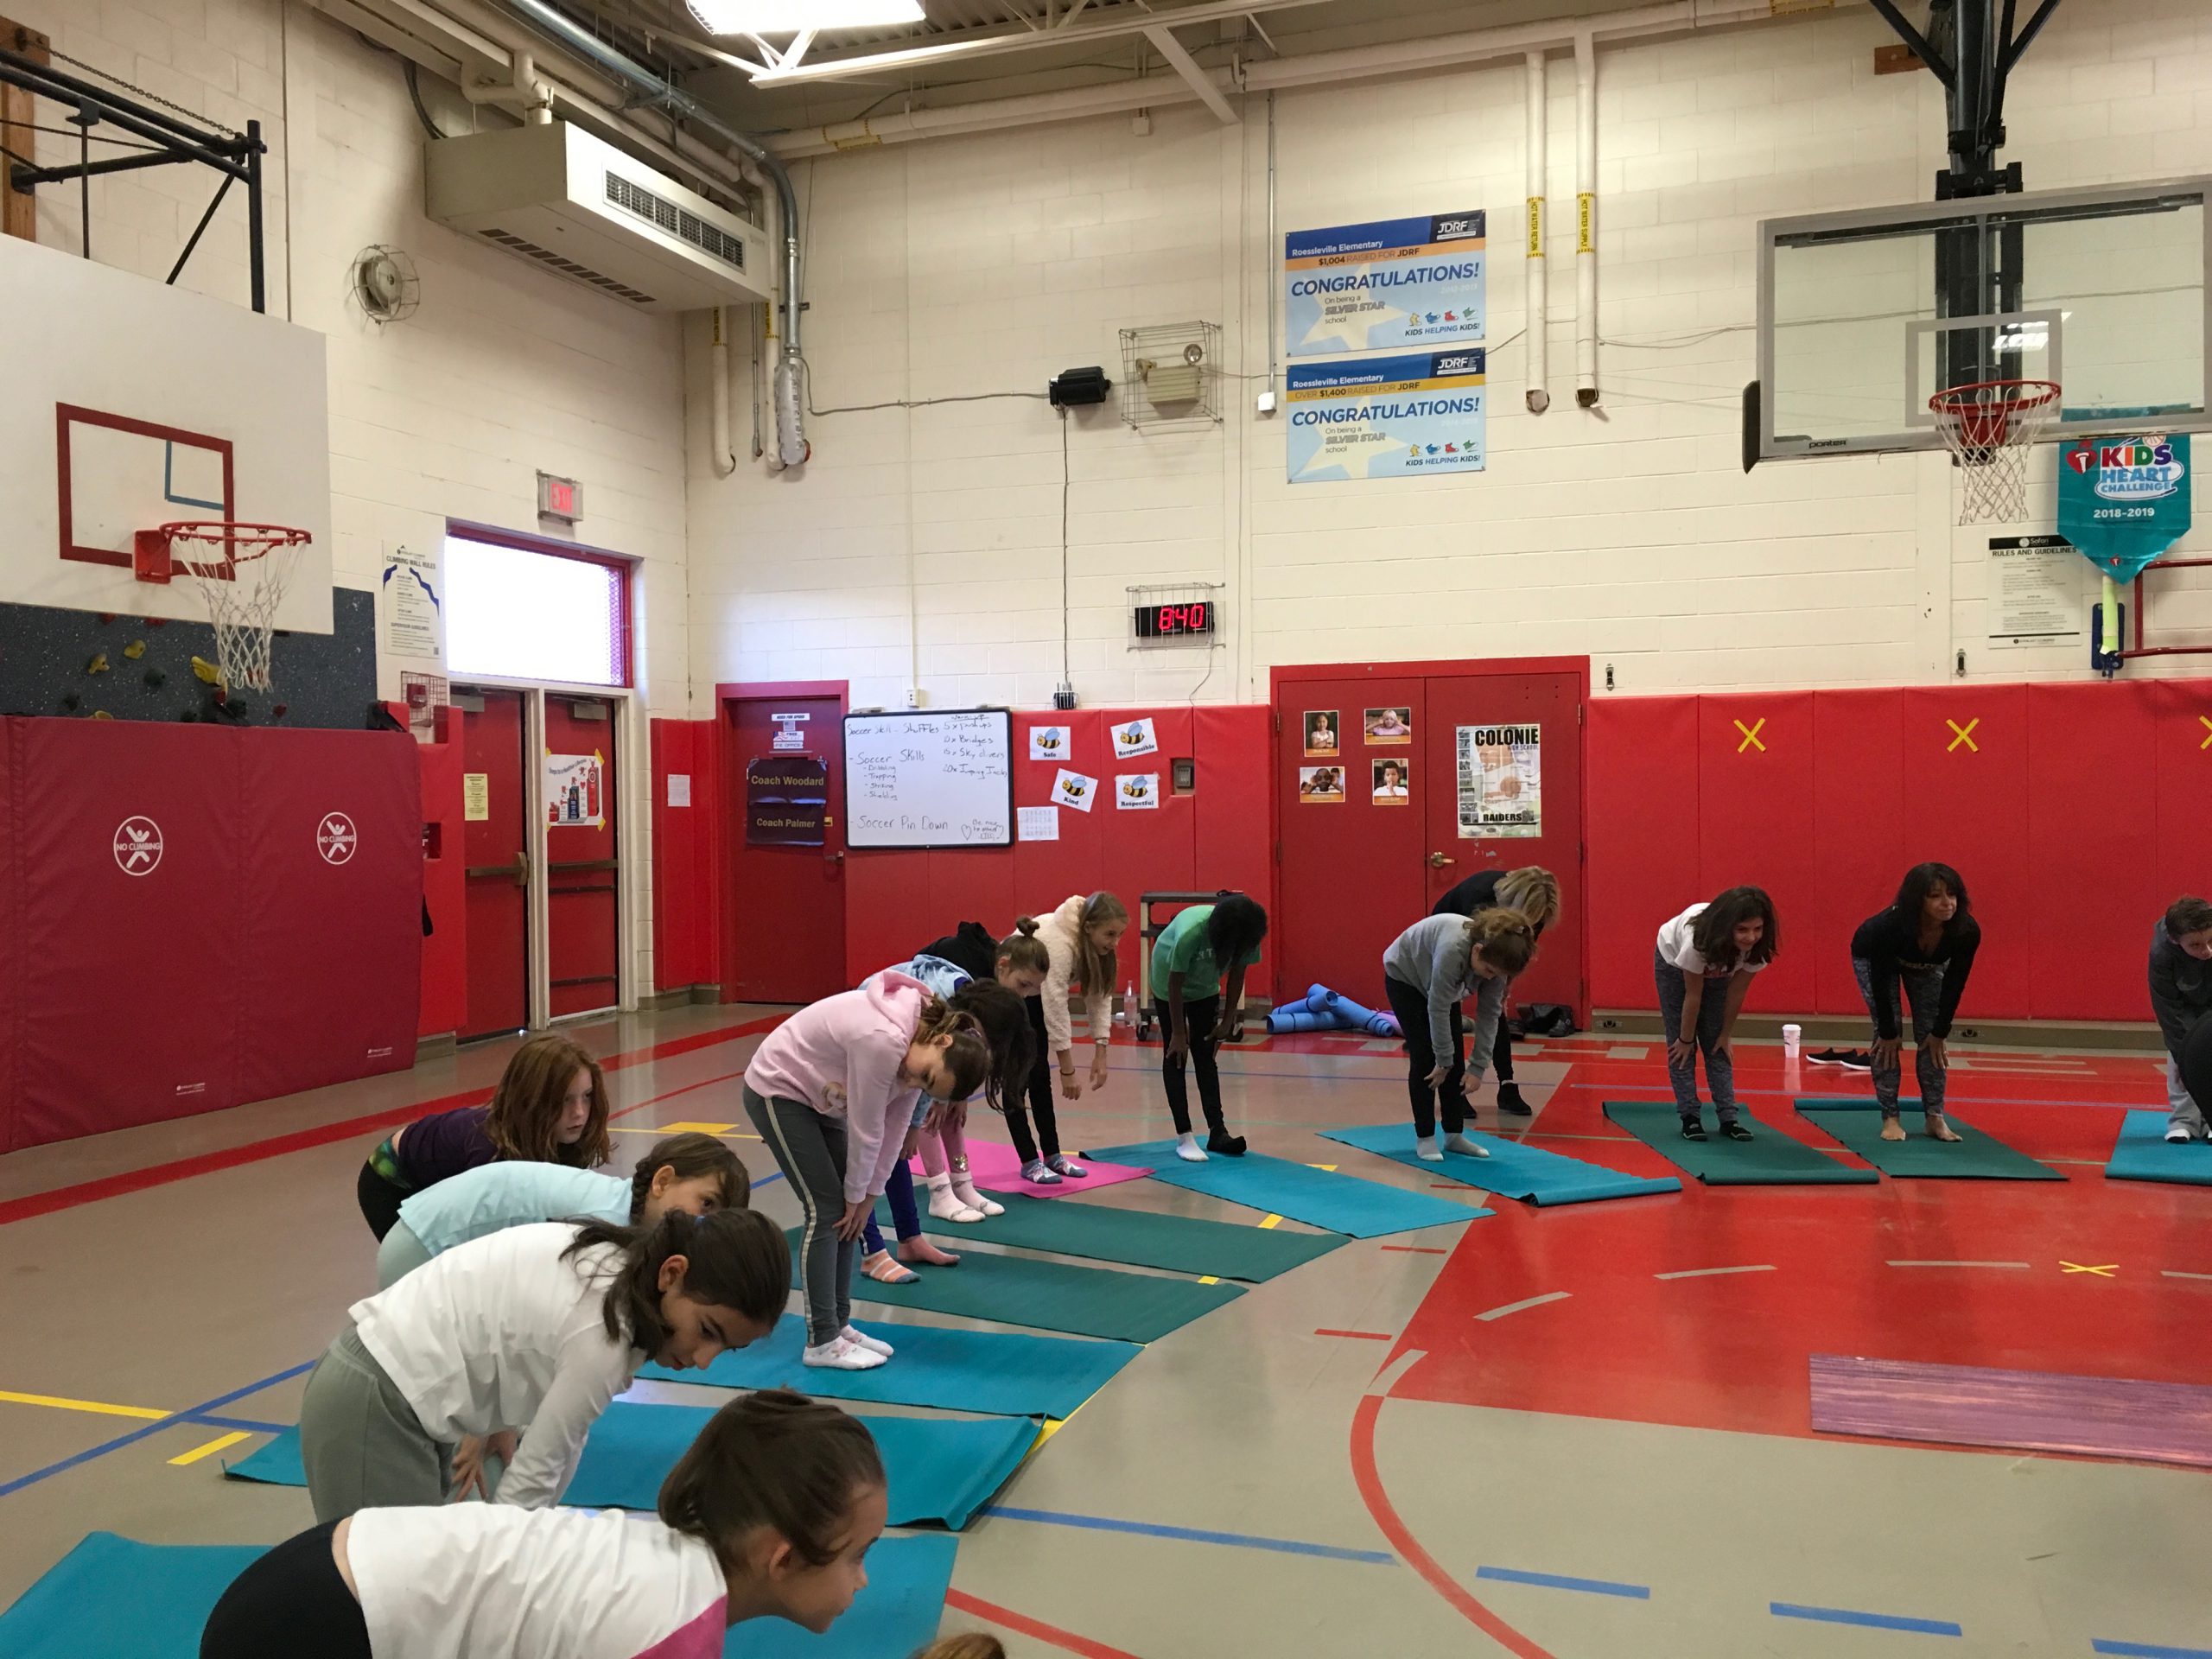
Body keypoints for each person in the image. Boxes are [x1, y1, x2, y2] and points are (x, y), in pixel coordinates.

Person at [200, 1390, 887, 1659]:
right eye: (856, 1556)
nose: (863, 1579)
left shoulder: (673, 1564)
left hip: (322, 1576)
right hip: (310, 1624)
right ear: (783, 1557)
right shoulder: (673, 1627)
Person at [296, 1209, 788, 1522]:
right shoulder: (605, 1334)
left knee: (411, 1599)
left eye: (726, 1350)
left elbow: (564, 1444)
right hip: (376, 1401)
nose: (704, 1361)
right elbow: (531, 1481)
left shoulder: (619, 1271)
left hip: (393, 1395)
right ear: (672, 1273)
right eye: (707, 1332)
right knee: (386, 1611)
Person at [744, 975, 991, 1370]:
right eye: (924, 1076)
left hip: (817, 1098)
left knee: (850, 1217)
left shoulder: (919, 1045)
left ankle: (839, 1325)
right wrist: (857, 1196)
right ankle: (821, 1339)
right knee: (828, 1213)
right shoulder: (884, 1040)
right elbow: (867, 1127)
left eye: (926, 1087)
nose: (913, 1083)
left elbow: (894, 1131)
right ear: (942, 1041)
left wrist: (868, 1197)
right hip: (779, 1089)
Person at [377, 1131, 746, 1288]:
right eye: (706, 1204)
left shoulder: (623, 1214)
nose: (707, 1225)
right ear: (662, 1182)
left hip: (434, 1234)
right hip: (425, 1245)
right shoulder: (605, 1224)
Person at [355, 1033, 612, 1242]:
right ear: (533, 1100)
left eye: (586, 1096)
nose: (579, 1112)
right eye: (565, 1099)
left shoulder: (567, 1138)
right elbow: (480, 1238)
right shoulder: (491, 1152)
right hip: (391, 1182)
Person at [1382, 909, 1538, 1160]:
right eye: (1488, 971)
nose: (1490, 977)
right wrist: (1442, 1059)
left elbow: (1489, 1016)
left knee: (1455, 1061)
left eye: (1497, 975)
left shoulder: (1495, 966)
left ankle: (1454, 1136)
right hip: (1405, 977)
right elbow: (1438, 1006)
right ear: (1477, 951)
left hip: (1443, 986)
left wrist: (1477, 1067)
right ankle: (1425, 1137)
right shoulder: (1453, 950)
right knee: (1426, 1059)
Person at [1851, 863, 1981, 1144]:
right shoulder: (1888, 927)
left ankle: (1935, 1116)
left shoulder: (1966, 930)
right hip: (1875, 958)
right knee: (1887, 1037)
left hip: (1926, 965)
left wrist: (1940, 1030)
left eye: (1952, 895)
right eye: (1935, 896)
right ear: (1917, 900)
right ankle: (1891, 1117)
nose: (1947, 903)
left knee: (1932, 1039)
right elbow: (1881, 981)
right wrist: (1888, 1030)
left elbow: (1955, 982)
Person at [1433, 866, 1562, 1116]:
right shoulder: (1480, 898)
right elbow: (1474, 950)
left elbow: (1516, 954)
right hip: (1453, 934)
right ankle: (1453, 1087)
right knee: (1449, 1005)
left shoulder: (1535, 915)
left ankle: (1507, 1084)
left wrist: (1506, 986)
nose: (1534, 926)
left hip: (1495, 940)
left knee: (1495, 1008)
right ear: (1514, 903)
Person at [1020, 893, 1130, 1184]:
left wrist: (1101, 1051)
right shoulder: (1060, 944)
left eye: (1119, 935)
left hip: (1038, 995)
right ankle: (1029, 1160)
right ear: (1088, 928)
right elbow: (1055, 1006)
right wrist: (1068, 1070)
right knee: (1021, 1080)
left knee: (1040, 1080)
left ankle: (1053, 1154)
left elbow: (1100, 997)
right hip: (1016, 995)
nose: (1115, 942)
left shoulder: (1097, 950)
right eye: (1109, 934)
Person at [1654, 887, 1779, 1142]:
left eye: (1757, 929)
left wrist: (1725, 1034)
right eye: (1742, 930)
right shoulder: (1697, 941)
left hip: (1720, 964)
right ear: (1727, 926)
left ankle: (1729, 1118)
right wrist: (1686, 1040)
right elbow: (1693, 995)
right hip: (1674, 966)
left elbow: (1736, 993)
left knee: (1717, 1046)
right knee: (1681, 1047)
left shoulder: (1756, 948)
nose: (1751, 937)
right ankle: (1690, 1116)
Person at [1152, 893, 1268, 1160]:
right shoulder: (1193, 933)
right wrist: (1179, 1034)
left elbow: (1238, 973)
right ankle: (1185, 1136)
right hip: (1169, 983)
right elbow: (1174, 983)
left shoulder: (1247, 933)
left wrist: (1229, 1019)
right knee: (1176, 1056)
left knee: (1205, 1056)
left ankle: (1218, 1131)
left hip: (1205, 987)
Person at [2149, 895, 2212, 1143]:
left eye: (2210, 940)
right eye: (2195, 945)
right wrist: (2183, 1061)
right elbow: (2167, 1009)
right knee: (2182, 1057)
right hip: (2183, 1004)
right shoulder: (2162, 954)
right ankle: (2183, 1121)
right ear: (2176, 941)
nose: (2207, 951)